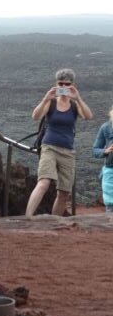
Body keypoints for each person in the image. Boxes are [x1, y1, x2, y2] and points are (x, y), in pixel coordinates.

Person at [25, 68, 93, 217]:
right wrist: (46, 98)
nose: (63, 87)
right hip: (49, 146)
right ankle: (28, 216)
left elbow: (88, 116)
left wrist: (78, 98)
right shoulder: (52, 103)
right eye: (60, 84)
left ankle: (54, 221)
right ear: (56, 84)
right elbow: (35, 116)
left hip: (68, 151)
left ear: (72, 85)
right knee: (44, 182)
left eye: (67, 84)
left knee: (64, 192)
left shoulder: (74, 106)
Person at [92, 106, 113, 212]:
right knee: (110, 207)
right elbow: (95, 150)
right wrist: (105, 151)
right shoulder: (106, 127)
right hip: (110, 173)